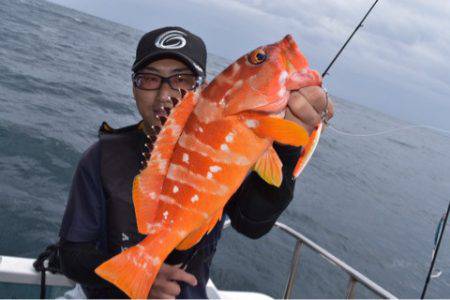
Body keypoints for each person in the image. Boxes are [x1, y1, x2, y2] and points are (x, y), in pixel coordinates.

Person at [58, 26, 334, 299]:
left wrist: (286, 146)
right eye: (149, 79)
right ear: (133, 86)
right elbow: (71, 254)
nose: (165, 94)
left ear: (200, 90)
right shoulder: (99, 157)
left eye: (181, 79)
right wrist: (132, 279)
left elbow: (253, 224)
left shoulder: (231, 145)